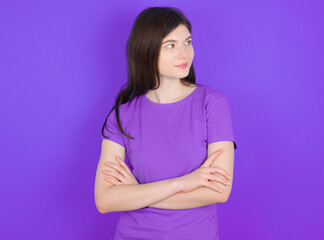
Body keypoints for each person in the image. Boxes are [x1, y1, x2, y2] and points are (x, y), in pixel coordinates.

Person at [94, 6, 238, 240]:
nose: (185, 53)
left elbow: (219, 192)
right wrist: (183, 183)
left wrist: (136, 193)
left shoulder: (212, 103)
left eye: (187, 42)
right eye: (171, 45)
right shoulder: (122, 114)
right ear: (146, 51)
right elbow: (105, 200)